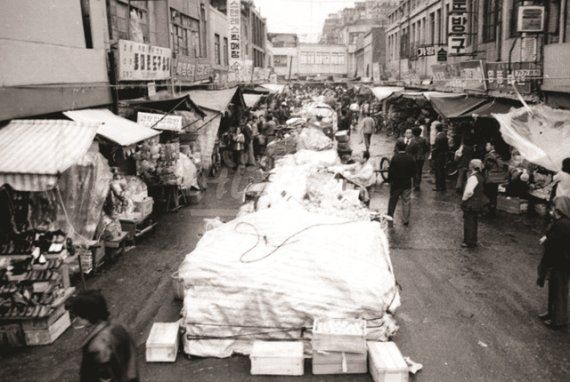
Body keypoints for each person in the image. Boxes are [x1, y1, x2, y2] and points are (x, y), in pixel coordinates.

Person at [65, 290, 139, 382]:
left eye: (79, 315)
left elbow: (105, 378)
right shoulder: (120, 327)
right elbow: (131, 361)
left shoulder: (97, 347)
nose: (77, 318)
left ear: (87, 316)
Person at [537, 196, 570, 329]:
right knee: (554, 288)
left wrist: (547, 239)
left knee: (559, 290)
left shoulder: (564, 224)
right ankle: (551, 313)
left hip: (561, 262)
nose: (552, 211)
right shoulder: (561, 222)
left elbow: (556, 242)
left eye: (554, 209)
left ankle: (559, 319)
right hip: (558, 261)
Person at [387, 140, 416, 226]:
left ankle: (390, 216)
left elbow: (391, 172)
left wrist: (389, 181)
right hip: (406, 183)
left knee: (393, 201)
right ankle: (405, 220)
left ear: (397, 148)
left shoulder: (395, 158)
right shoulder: (410, 158)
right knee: (406, 201)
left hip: (396, 184)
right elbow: (414, 171)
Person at [461, 159, 487, 248]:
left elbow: (468, 192)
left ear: (471, 166)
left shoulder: (473, 178)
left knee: (469, 222)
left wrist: (464, 199)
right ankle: (473, 239)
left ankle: (468, 241)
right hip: (477, 203)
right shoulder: (480, 176)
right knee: (474, 222)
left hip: (471, 204)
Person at [483, 141, 507, 216]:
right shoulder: (498, 155)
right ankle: (492, 210)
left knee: (487, 193)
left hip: (490, 178)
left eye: (487, 145)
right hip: (496, 178)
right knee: (494, 194)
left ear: (492, 146)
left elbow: (485, 166)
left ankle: (488, 211)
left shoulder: (489, 155)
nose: (486, 147)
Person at [409, 126, 430, 191]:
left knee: (415, 171)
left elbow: (410, 149)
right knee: (419, 170)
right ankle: (418, 184)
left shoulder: (413, 140)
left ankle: (416, 185)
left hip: (414, 158)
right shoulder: (423, 139)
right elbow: (427, 148)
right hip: (422, 157)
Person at [432, 123, 449, 191]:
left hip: (438, 156)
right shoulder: (444, 136)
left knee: (438, 171)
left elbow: (436, 148)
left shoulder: (438, 137)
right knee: (442, 171)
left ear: (436, 129)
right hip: (443, 155)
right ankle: (443, 186)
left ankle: (438, 186)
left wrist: (433, 156)